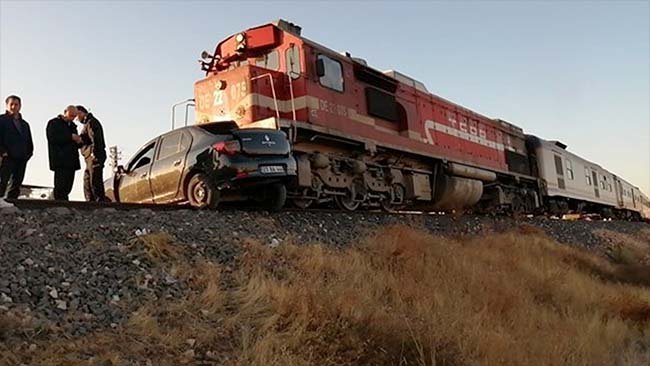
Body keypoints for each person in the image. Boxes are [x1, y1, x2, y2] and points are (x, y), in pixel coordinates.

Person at [0, 95, 34, 199]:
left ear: (20, 106)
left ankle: (12, 203)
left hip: (21, 157)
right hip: (6, 156)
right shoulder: (2, 120)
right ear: (7, 105)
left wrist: (28, 154)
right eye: (11, 104)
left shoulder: (24, 124)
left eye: (16, 104)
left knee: (16, 183)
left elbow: (29, 141)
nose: (14, 107)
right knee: (2, 181)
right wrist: (3, 152)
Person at [46, 106, 82, 201]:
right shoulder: (54, 123)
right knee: (60, 185)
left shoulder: (73, 126)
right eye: (71, 115)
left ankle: (65, 202)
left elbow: (75, 142)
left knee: (68, 185)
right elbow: (52, 137)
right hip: (60, 159)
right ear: (65, 112)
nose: (72, 118)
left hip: (72, 160)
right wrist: (70, 137)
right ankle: (59, 203)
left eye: (74, 116)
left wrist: (78, 141)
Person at [76, 105, 108, 201]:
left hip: (93, 156)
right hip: (89, 156)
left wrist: (94, 153)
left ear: (81, 112)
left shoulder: (91, 122)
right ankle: (91, 201)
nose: (77, 119)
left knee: (94, 181)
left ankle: (98, 202)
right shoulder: (88, 123)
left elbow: (95, 138)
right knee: (88, 181)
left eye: (77, 116)